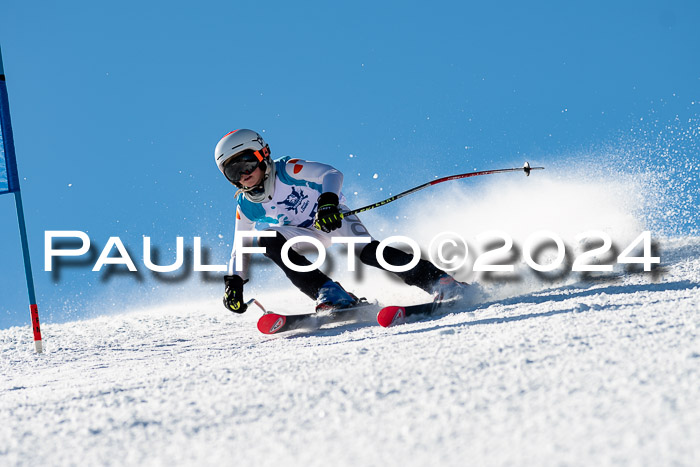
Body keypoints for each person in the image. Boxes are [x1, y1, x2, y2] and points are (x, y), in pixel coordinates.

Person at [216, 129, 472, 314]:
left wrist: (328, 202)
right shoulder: (246, 204)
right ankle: (330, 293)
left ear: (263, 154)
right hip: (303, 234)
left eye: (247, 163)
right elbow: (241, 244)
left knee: (368, 253)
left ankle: (439, 280)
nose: (244, 175)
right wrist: (234, 281)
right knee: (266, 239)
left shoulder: (288, 170)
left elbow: (330, 173)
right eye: (233, 171)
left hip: (331, 217)